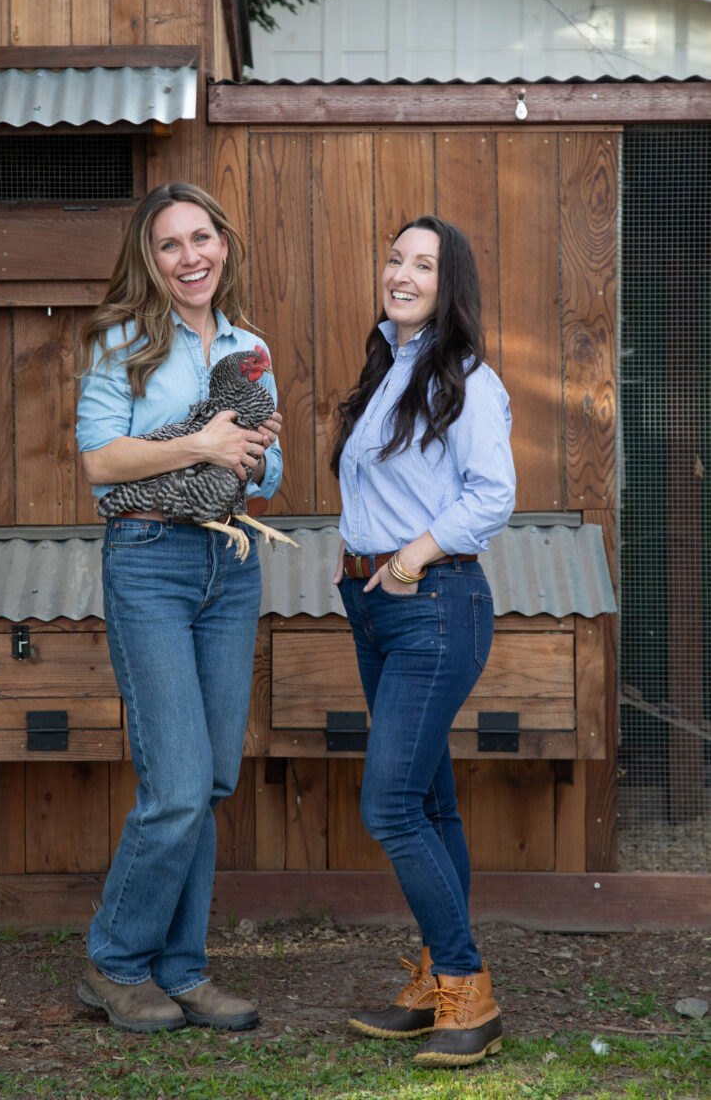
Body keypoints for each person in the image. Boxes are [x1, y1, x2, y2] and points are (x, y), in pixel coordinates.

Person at [75, 181, 282, 1034]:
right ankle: (115, 964)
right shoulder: (119, 342)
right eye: (170, 244)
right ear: (148, 259)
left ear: (223, 246)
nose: (190, 256)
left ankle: (181, 971)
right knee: (177, 785)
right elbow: (98, 463)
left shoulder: (248, 344)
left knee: (214, 781)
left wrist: (255, 458)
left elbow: (264, 474)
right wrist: (202, 442)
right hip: (151, 559)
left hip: (228, 562)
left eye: (202, 238)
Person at [331, 215, 516, 1067]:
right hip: (376, 603)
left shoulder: (466, 379)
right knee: (430, 803)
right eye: (394, 258)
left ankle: (466, 990)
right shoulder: (388, 370)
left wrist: (407, 558)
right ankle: (437, 973)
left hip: (434, 601)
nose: (401, 273)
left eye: (423, 264)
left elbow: (490, 496)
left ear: (451, 284)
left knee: (390, 805)